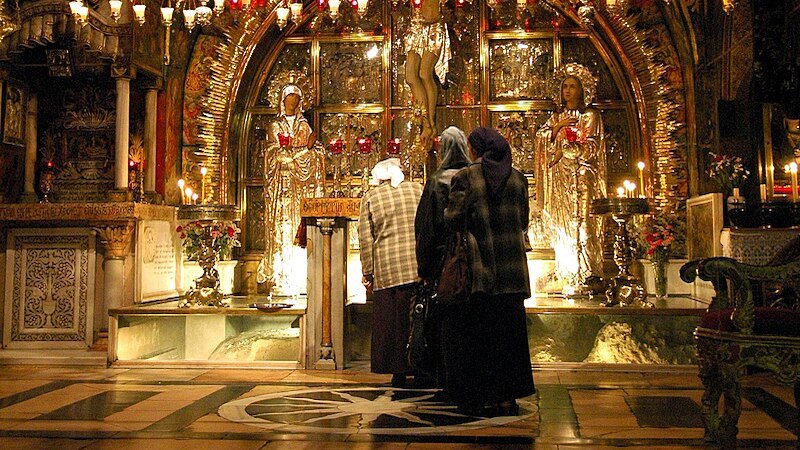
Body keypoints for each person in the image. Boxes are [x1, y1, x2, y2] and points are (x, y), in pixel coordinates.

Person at [441, 127, 534, 416]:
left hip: (481, 271)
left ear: (477, 149)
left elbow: (452, 218)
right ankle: (507, 398)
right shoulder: (518, 179)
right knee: (509, 338)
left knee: (478, 335)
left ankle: (477, 396)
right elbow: (523, 220)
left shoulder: (466, 177)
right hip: (512, 273)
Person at [533, 63, 606, 290]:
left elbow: (594, 147)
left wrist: (576, 146)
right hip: (561, 178)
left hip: (583, 177)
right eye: (565, 86)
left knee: (584, 223)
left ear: (581, 90)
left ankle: (588, 272)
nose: (568, 91)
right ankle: (566, 269)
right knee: (563, 223)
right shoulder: (557, 117)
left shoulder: (590, 116)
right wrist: (558, 128)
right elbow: (541, 140)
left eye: (573, 86)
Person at [358, 157, 424, 388]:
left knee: (395, 324)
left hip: (388, 269)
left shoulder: (371, 197)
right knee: (417, 320)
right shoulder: (418, 189)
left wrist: (368, 271)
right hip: (416, 266)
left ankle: (398, 371)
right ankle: (421, 366)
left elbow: (366, 238)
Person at [414, 126, 471, 387]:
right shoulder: (473, 176)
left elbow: (426, 227)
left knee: (444, 321)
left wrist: (424, 267)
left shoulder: (437, 182)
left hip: (443, 261)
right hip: (470, 258)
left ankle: (443, 377)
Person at [256, 84, 324, 296]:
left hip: (300, 189)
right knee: (282, 229)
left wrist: (307, 152)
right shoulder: (275, 125)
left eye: (297, 98)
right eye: (290, 97)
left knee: (299, 225)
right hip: (281, 186)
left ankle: (300, 275)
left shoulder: (304, 125)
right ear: (283, 100)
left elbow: (315, 151)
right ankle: (281, 274)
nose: (294, 101)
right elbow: (272, 153)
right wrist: (297, 152)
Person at [405, 0, 451, 146]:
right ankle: (425, 122)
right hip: (416, 27)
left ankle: (429, 123)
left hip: (433, 28)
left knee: (424, 74)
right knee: (410, 77)